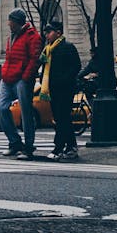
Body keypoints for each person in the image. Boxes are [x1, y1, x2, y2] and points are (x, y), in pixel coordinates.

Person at [0, 7, 42, 160]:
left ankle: (28, 147)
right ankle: (15, 142)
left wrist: (25, 77)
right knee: (1, 108)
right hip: (8, 78)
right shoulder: (12, 37)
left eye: (10, 21)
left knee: (26, 112)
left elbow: (34, 59)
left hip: (22, 79)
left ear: (16, 22)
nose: (8, 23)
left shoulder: (32, 36)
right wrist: (4, 73)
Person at [38, 20, 81, 161]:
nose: (47, 35)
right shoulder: (48, 50)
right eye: (46, 32)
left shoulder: (67, 47)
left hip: (65, 89)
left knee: (62, 118)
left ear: (58, 33)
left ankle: (58, 148)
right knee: (62, 118)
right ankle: (71, 147)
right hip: (53, 89)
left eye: (49, 32)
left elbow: (76, 66)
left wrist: (64, 79)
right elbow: (44, 68)